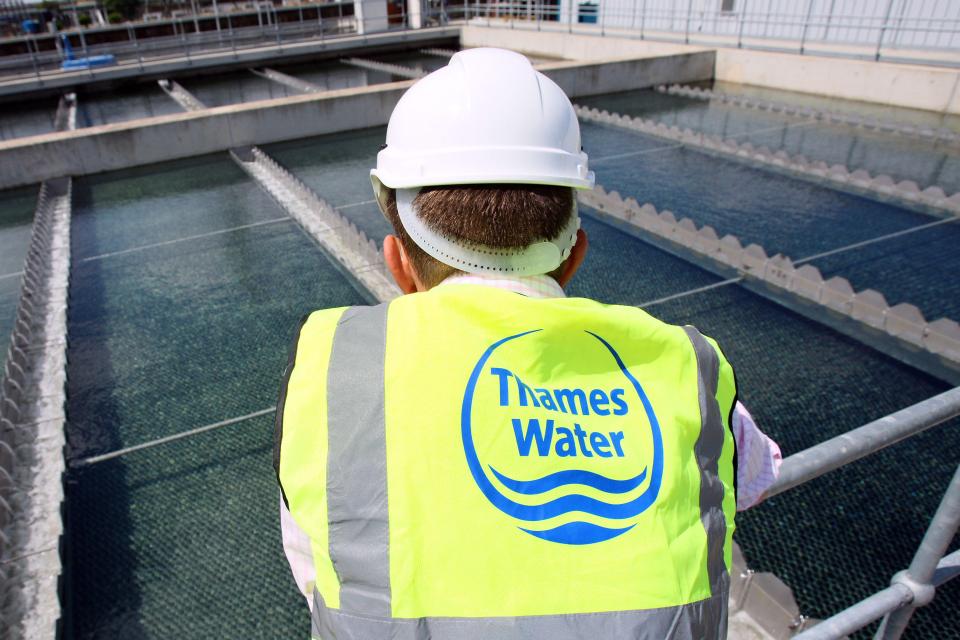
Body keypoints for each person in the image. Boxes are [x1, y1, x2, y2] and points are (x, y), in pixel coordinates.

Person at [274, 47, 781, 640]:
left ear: (397, 264)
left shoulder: (331, 379)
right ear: (575, 256)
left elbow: (315, 563)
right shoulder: (685, 369)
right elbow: (757, 475)